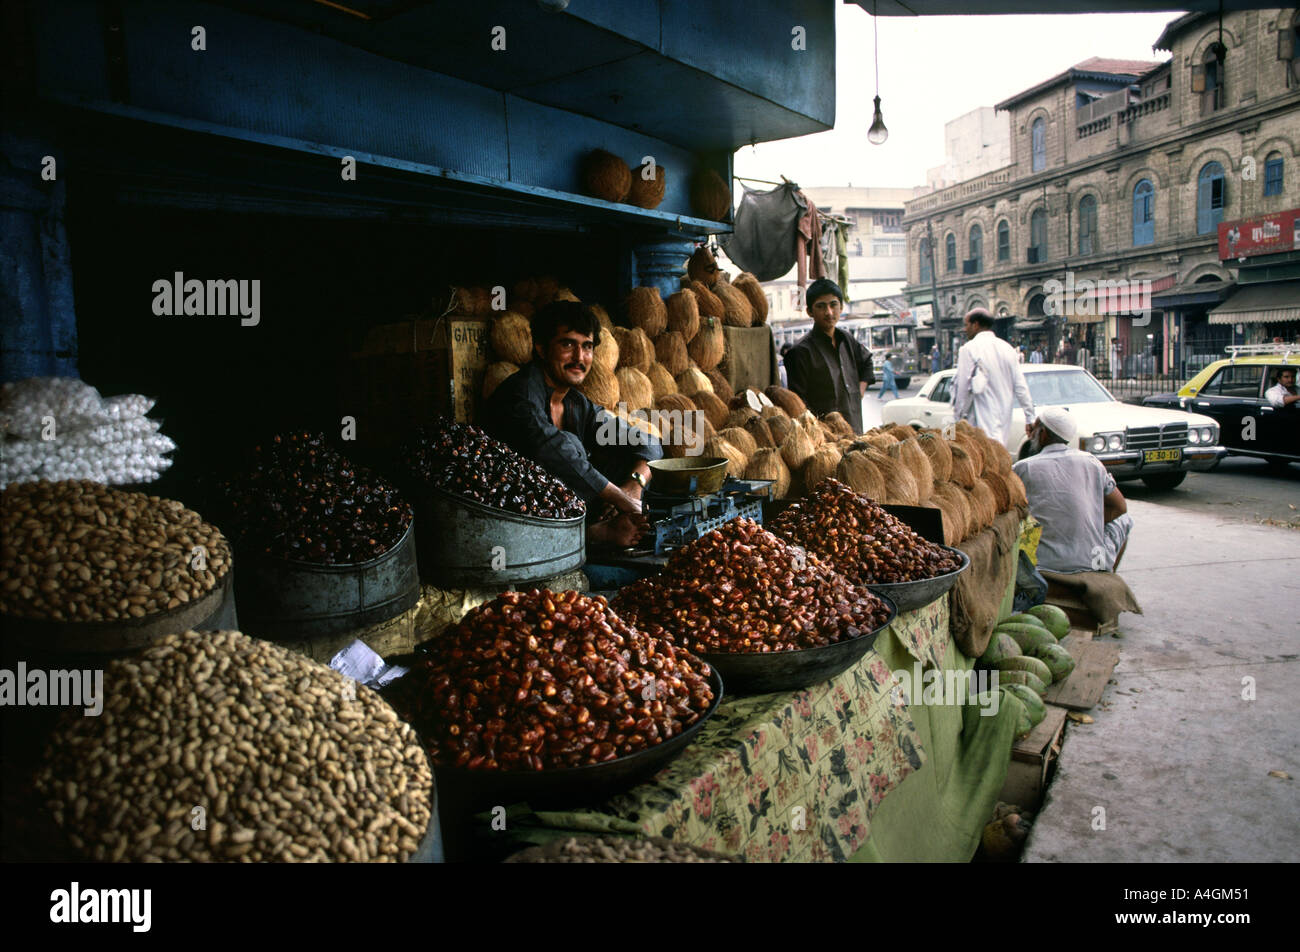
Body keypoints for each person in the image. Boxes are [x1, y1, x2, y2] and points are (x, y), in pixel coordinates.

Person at [482, 300, 660, 547]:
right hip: (508, 511)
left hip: (562, 505)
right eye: (568, 345)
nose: (579, 358)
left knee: (629, 457)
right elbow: (553, 452)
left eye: (587, 347)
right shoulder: (520, 395)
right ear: (541, 349)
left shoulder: (576, 403)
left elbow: (647, 442)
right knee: (570, 445)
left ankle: (597, 526)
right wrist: (621, 499)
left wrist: (634, 486)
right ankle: (590, 535)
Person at [1013, 407, 1133, 574]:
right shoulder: (1093, 463)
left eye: (1034, 429)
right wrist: (1088, 522)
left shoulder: (1022, 468)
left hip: (1041, 564)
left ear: (1044, 434)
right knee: (1124, 519)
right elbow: (1120, 508)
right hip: (1090, 562)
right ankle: (1105, 574)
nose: (1031, 434)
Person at [784, 278, 875, 433]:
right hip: (825, 440)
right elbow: (798, 403)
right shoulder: (800, 352)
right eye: (821, 306)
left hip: (855, 430)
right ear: (810, 311)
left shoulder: (847, 339)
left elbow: (867, 362)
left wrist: (859, 391)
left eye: (833, 305)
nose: (829, 312)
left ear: (841, 306)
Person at [952, 307, 1036, 447]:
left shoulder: (969, 348)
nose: (965, 329)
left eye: (966, 325)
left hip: (979, 424)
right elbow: (1021, 387)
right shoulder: (1007, 348)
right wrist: (1030, 417)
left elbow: (963, 388)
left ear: (976, 325)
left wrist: (957, 419)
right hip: (1003, 423)